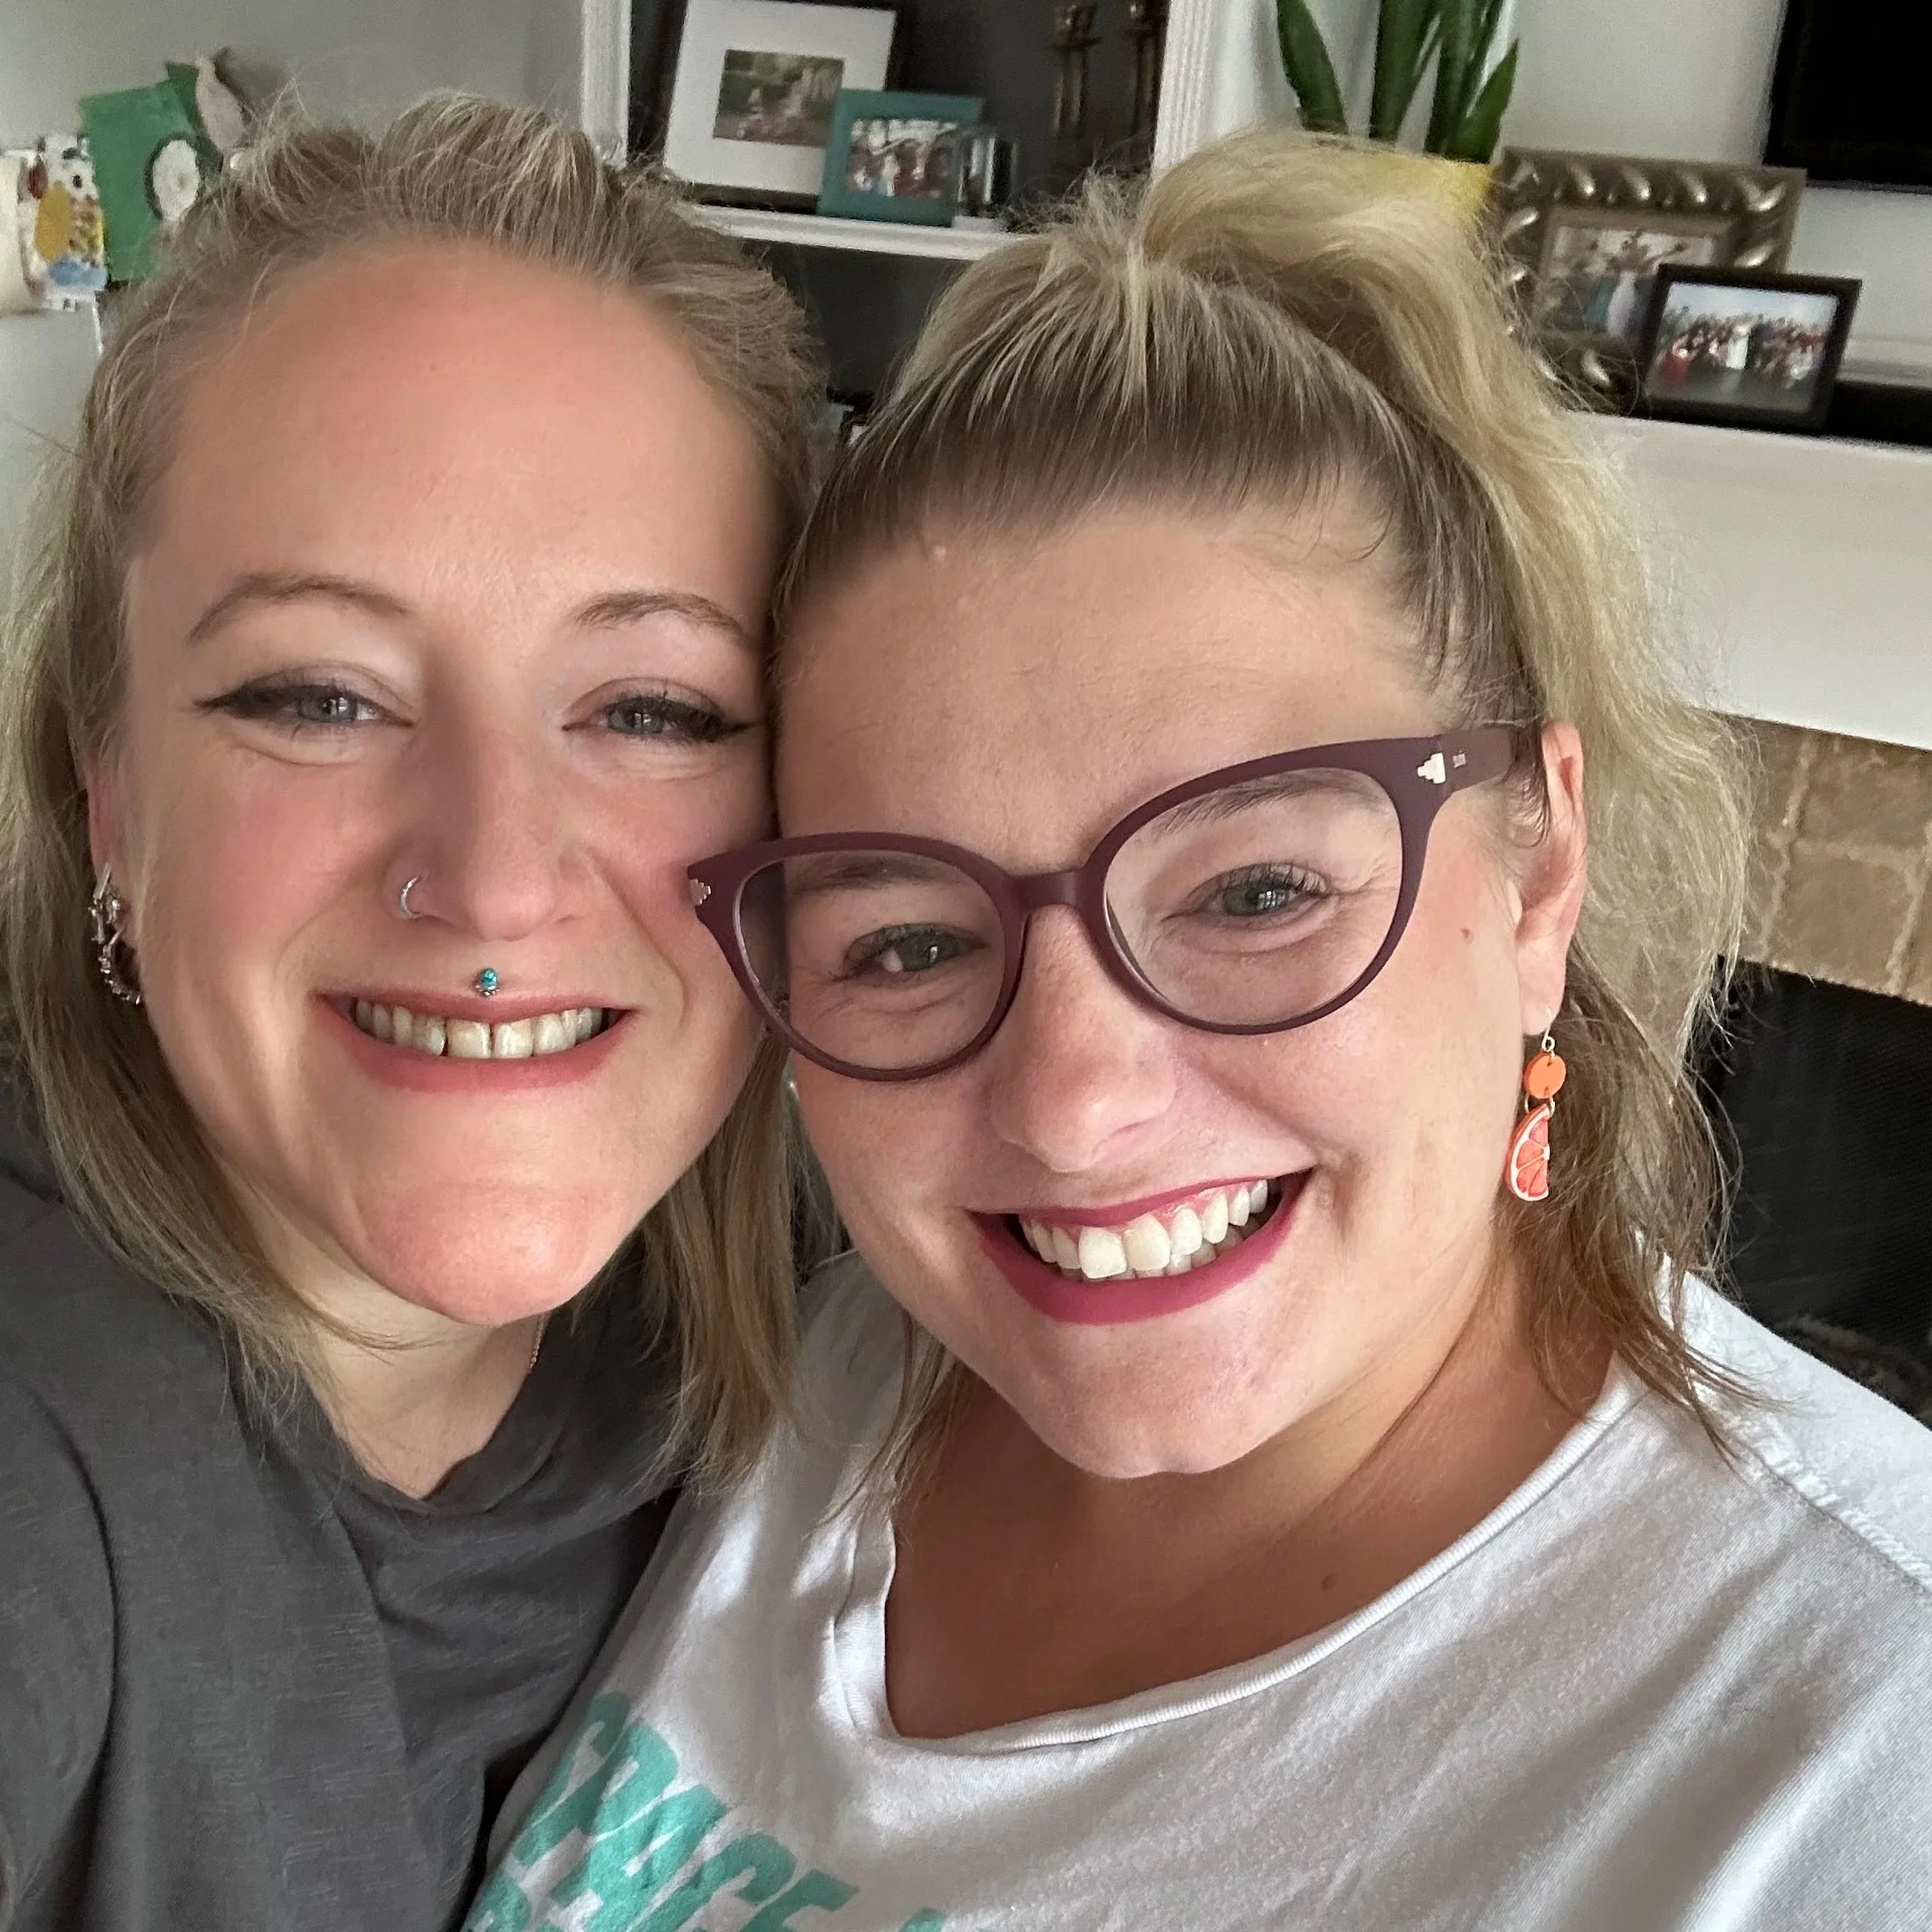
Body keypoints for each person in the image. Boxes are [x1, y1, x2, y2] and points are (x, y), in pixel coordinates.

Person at [470, 134, 1932, 1930]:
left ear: (1539, 874)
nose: (1071, 1105)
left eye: (1255, 894)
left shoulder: (1868, 1755)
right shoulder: (819, 1380)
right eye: (908, 939)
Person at [0, 97, 822, 1932]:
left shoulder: (852, 1291)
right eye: (318, 696)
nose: (498, 877)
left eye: (654, 711)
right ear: (107, 793)